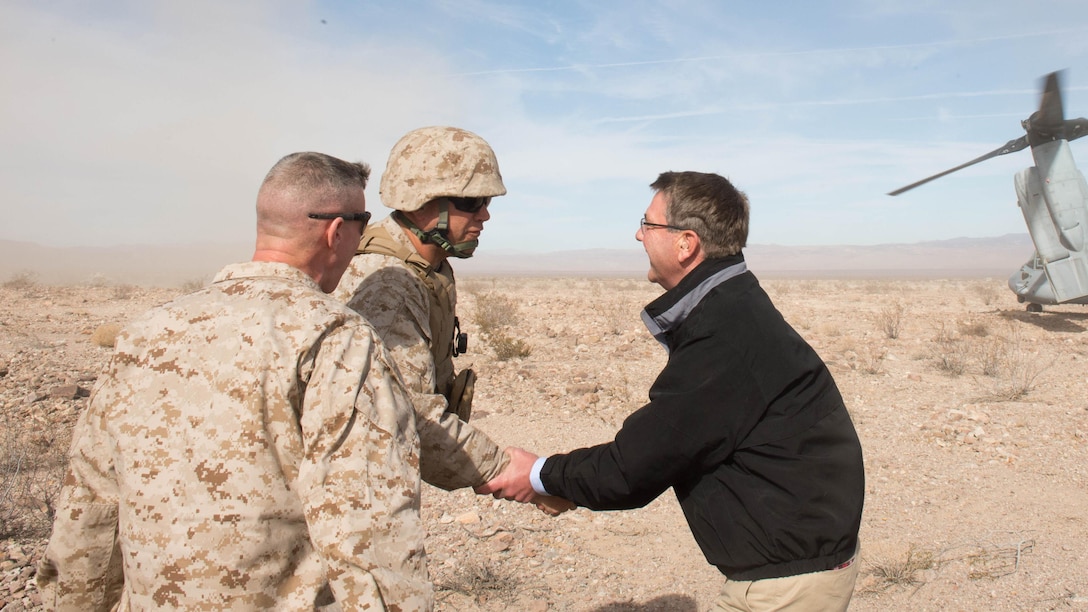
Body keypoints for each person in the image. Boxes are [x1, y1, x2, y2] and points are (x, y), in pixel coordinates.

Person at [36, 152, 432, 610]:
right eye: (362, 223)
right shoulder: (336, 336)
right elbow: (367, 521)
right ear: (336, 231)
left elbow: (90, 504)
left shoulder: (147, 330)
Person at [476, 171, 866, 611]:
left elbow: (638, 464)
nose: (637, 235)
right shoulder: (732, 305)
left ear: (685, 244)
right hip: (798, 566)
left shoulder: (726, 333)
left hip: (787, 587)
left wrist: (538, 474)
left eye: (647, 224)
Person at [333, 127, 569, 514]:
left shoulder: (428, 264)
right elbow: (409, 414)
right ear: (422, 202)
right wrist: (512, 473)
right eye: (472, 201)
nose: (485, 215)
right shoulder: (389, 283)